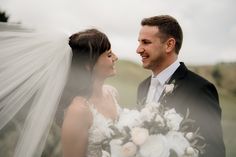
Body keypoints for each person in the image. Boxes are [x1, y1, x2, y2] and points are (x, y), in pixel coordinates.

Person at [136, 15, 225, 157]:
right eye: (139, 42)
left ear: (169, 45)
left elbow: (214, 151)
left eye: (146, 42)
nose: (138, 49)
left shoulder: (199, 89)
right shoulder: (142, 87)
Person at [61, 29, 119, 157]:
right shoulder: (78, 111)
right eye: (109, 55)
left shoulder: (112, 93)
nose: (116, 57)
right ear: (88, 65)